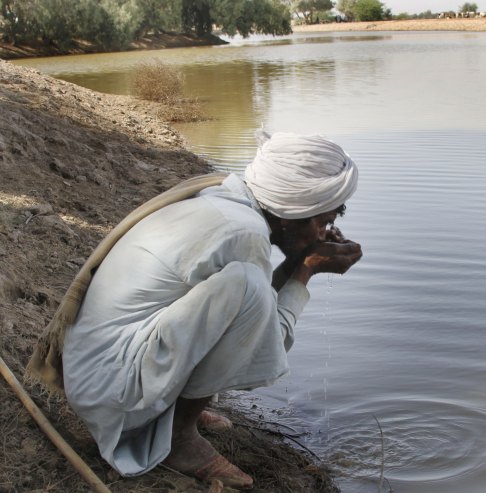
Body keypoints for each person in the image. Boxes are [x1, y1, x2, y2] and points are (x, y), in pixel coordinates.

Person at [60, 131, 362, 488]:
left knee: (246, 289)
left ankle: (175, 411)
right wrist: (305, 270)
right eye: (322, 221)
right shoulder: (243, 232)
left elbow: (244, 317)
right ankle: (179, 438)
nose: (324, 232)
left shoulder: (223, 200)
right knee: (247, 286)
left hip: (92, 375)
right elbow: (267, 343)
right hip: (114, 395)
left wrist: (300, 257)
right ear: (290, 212)